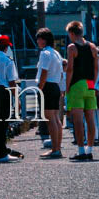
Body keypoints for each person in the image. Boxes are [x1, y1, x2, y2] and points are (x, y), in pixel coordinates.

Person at [65, 20, 99, 162]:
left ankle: (80, 150)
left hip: (77, 85)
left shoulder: (72, 47)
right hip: (90, 83)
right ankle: (89, 150)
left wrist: (67, 87)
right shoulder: (92, 47)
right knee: (90, 119)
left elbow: (70, 69)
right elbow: (96, 67)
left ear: (72, 33)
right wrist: (94, 82)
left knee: (78, 120)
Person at [35, 28, 65, 159]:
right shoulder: (56, 53)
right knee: (56, 118)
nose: (37, 41)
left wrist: (40, 88)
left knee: (50, 118)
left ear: (43, 39)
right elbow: (61, 73)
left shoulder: (45, 53)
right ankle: (57, 147)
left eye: (39, 38)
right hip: (55, 85)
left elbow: (44, 72)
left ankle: (55, 149)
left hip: (47, 86)